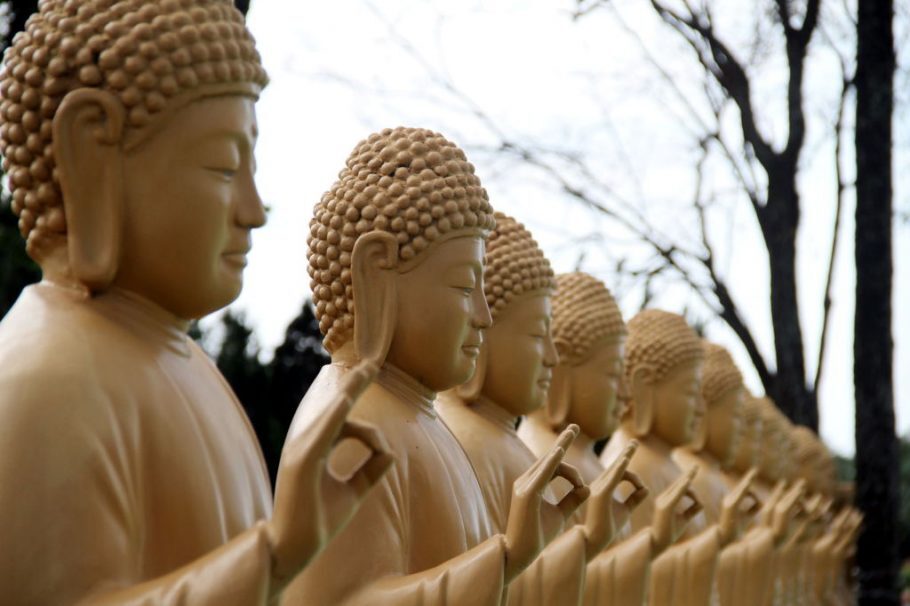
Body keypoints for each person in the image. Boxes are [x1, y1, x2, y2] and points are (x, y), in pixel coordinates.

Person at [0, 2, 391, 603]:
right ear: (92, 151)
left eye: (250, 168)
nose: (254, 209)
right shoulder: (46, 375)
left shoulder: (189, 370)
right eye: (222, 166)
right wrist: (275, 550)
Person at [282, 127, 588, 605]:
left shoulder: (420, 421)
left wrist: (532, 553)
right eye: (465, 288)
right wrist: (504, 556)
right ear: (377, 272)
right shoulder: (353, 425)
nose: (482, 317)